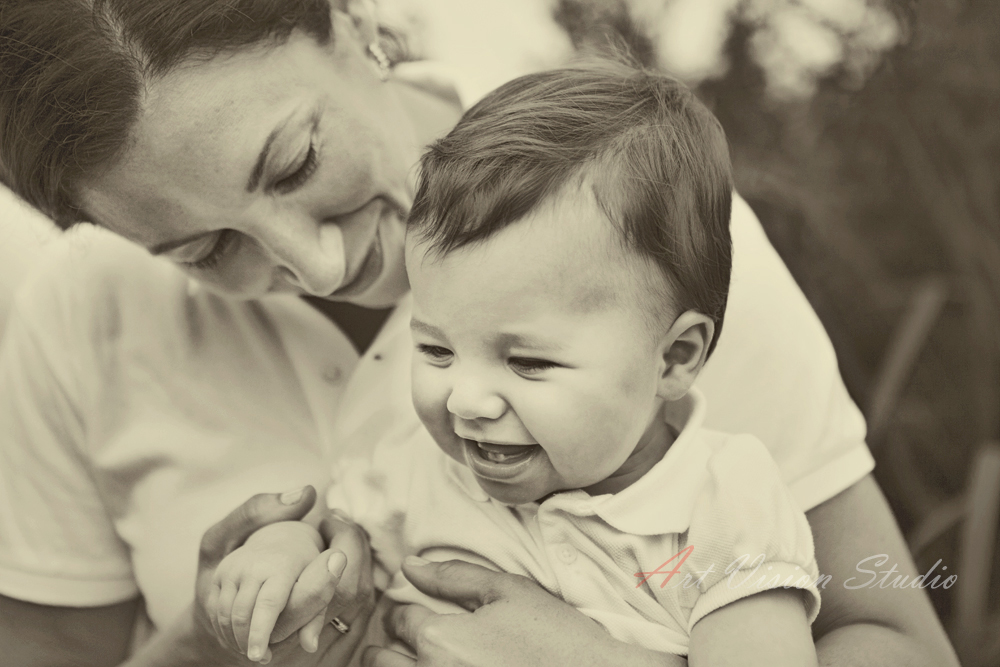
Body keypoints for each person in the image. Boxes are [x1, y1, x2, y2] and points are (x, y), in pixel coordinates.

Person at [0, 1, 959, 666]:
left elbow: (900, 639)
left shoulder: (630, 234)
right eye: (203, 250)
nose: (314, 266)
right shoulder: (83, 309)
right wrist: (213, 645)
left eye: (295, 161)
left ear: (353, 24)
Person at [213, 61, 822, 666]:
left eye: (528, 362)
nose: (464, 400)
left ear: (673, 358)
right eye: (436, 350)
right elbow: (330, 541)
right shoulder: (415, 474)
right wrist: (283, 549)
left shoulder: (723, 504)